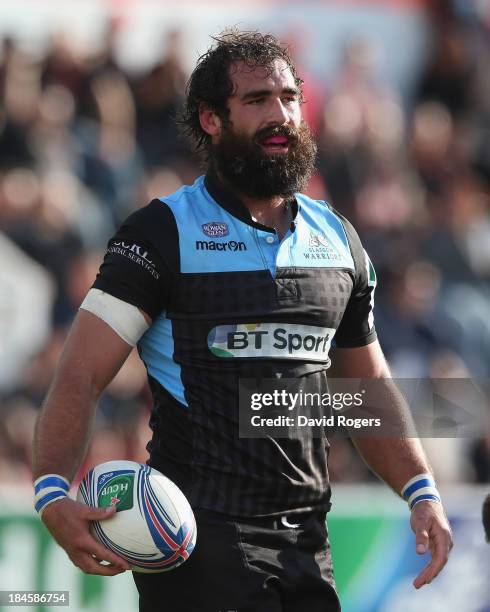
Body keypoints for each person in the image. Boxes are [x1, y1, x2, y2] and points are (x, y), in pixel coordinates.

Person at [32, 30, 453, 612]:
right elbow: (79, 375)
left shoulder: (339, 242)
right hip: (201, 544)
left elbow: (368, 393)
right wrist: (52, 491)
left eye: (288, 97)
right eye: (257, 100)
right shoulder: (161, 233)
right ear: (210, 118)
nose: (279, 114)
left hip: (308, 542)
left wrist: (421, 491)